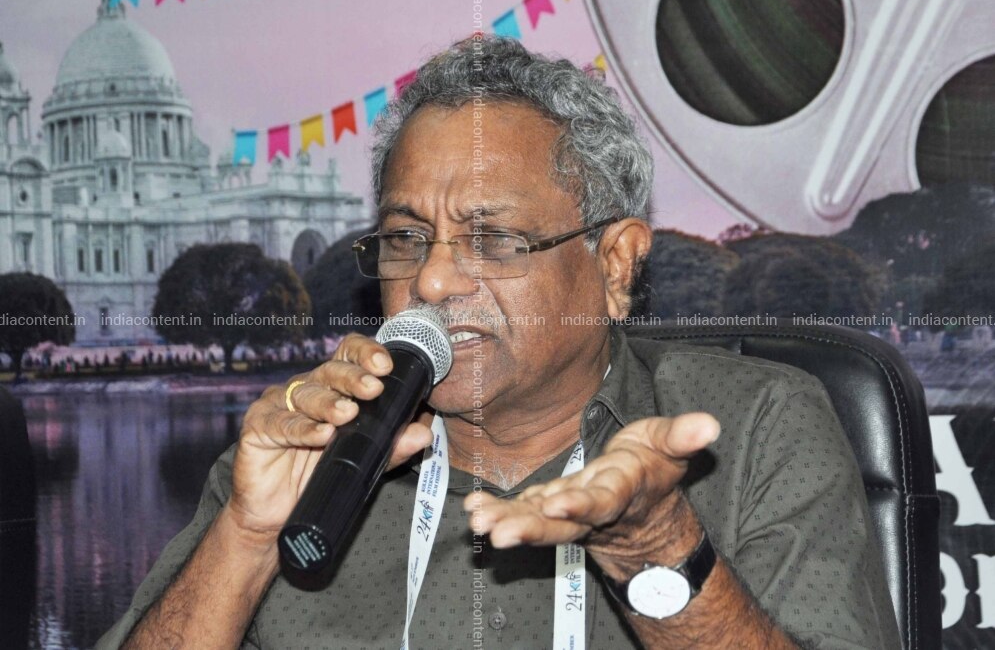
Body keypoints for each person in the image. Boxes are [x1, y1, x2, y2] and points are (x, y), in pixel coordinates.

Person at [99, 37, 901, 649]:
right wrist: (245, 538)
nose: (432, 279)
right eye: (406, 238)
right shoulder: (312, 450)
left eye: (492, 239)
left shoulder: (756, 424)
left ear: (615, 264)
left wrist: (652, 547)